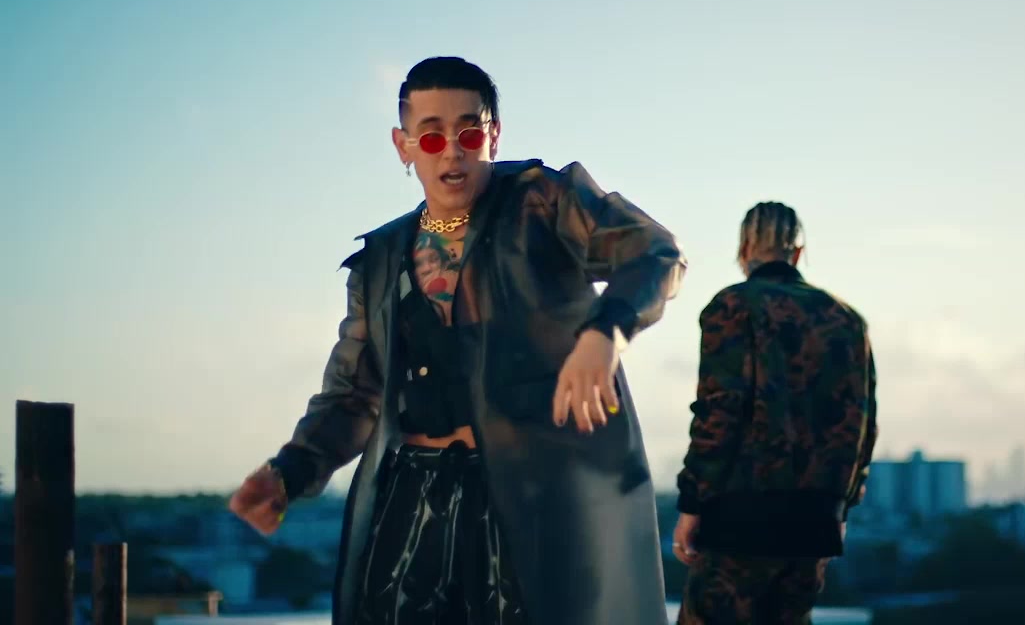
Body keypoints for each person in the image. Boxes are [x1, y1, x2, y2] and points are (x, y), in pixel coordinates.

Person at [228, 56, 687, 625]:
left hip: (527, 500)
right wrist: (289, 473)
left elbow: (656, 252)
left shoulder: (543, 204)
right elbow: (355, 395)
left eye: (469, 133)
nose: (452, 151)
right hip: (410, 503)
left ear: (493, 135)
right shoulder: (381, 260)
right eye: (431, 136)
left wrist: (605, 332)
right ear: (404, 146)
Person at [672, 202, 878, 625]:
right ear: (798, 252)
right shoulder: (846, 320)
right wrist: (840, 507)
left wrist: (692, 502)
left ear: (744, 248)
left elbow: (720, 410)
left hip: (740, 518)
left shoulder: (733, 306)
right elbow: (862, 423)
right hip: (814, 523)